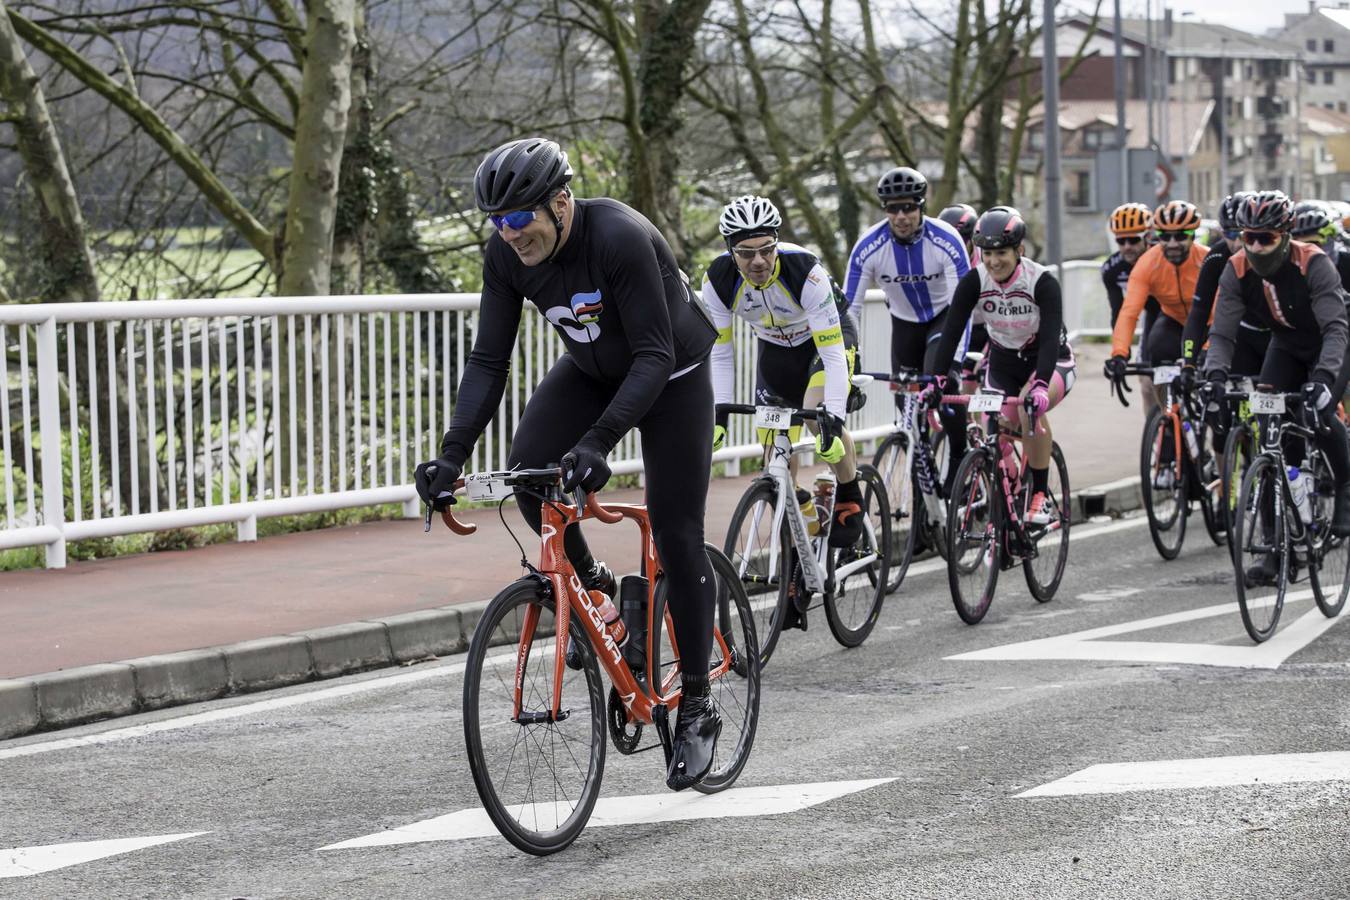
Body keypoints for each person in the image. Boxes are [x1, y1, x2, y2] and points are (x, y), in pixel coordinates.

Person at [412, 138, 721, 791]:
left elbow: (655, 356)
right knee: (530, 475)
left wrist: (599, 442)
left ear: (560, 202)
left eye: (520, 217)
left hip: (670, 375)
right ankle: (598, 594)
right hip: (593, 371)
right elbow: (489, 360)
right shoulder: (506, 254)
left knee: (676, 534)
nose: (509, 232)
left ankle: (696, 703)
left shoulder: (619, 236)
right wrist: (451, 454)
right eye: (496, 221)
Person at [702, 195, 862, 629]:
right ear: (730, 250)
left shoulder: (805, 272)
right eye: (746, 252)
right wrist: (717, 410)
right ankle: (801, 521)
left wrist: (833, 416)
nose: (758, 261)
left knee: (812, 417)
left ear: (777, 243)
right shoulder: (717, 280)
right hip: (775, 353)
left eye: (766, 249)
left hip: (824, 344)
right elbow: (720, 354)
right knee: (774, 450)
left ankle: (850, 498)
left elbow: (831, 354)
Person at [1202, 190, 1350, 584]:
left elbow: (1336, 329)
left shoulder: (1313, 263)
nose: (1254, 245)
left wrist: (1322, 380)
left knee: (1317, 412)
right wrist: (1214, 376)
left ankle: (1345, 491)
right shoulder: (1235, 268)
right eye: (1248, 236)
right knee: (1268, 444)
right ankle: (1273, 550)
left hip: (1328, 346)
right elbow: (1222, 333)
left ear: (1285, 235)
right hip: (1284, 344)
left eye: (1264, 238)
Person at [927, 207, 1075, 524]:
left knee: (1028, 408)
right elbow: (952, 330)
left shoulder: (1042, 281)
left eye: (1002, 253)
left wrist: (1039, 386)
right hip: (1004, 361)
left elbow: (1050, 339)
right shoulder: (975, 280)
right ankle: (1008, 492)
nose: (994, 261)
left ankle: (1038, 496)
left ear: (1019, 251)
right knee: (991, 420)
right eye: (988, 253)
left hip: (1050, 361)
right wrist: (938, 379)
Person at [845, 167, 971, 494]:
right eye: (892, 208)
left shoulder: (946, 240)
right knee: (908, 419)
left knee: (941, 384)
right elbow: (850, 310)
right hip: (904, 327)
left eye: (908, 208)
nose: (901, 216)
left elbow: (963, 307)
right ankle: (922, 507)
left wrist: (952, 366)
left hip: (944, 318)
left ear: (921, 206)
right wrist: (847, 360)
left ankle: (960, 454)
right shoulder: (868, 247)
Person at [1105, 201, 1208, 421]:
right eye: (1165, 237)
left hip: (1207, 325)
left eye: (1180, 236)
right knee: (1157, 358)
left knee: (1206, 376)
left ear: (1192, 236)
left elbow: (1222, 314)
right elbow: (1128, 312)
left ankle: (1204, 421)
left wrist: (1205, 350)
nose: (1172, 243)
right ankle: (1168, 420)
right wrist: (1120, 354)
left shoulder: (1207, 261)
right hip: (1171, 319)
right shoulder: (1147, 263)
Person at [1101, 202, 1160, 415]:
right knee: (1147, 385)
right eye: (1121, 240)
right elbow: (1119, 314)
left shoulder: (1162, 258)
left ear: (1147, 237)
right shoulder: (1112, 270)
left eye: (1133, 239)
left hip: (1178, 315)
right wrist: (1120, 354)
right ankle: (1156, 440)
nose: (1126, 246)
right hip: (1153, 317)